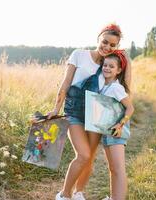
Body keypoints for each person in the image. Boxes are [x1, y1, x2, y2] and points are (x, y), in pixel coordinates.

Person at [47, 24, 132, 200]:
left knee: (90, 158)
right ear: (99, 38)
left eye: (112, 45)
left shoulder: (108, 65)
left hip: (95, 116)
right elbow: (66, 83)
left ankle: (79, 193)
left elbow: (123, 86)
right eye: (105, 42)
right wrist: (56, 108)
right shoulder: (79, 55)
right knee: (83, 154)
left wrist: (128, 60)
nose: (107, 47)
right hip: (74, 113)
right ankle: (64, 194)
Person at [98, 50, 134, 200]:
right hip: (106, 133)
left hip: (116, 132)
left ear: (118, 70)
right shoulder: (104, 85)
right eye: (105, 65)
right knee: (112, 169)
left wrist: (120, 124)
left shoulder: (116, 87)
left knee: (119, 169)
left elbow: (131, 108)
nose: (106, 68)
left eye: (111, 66)